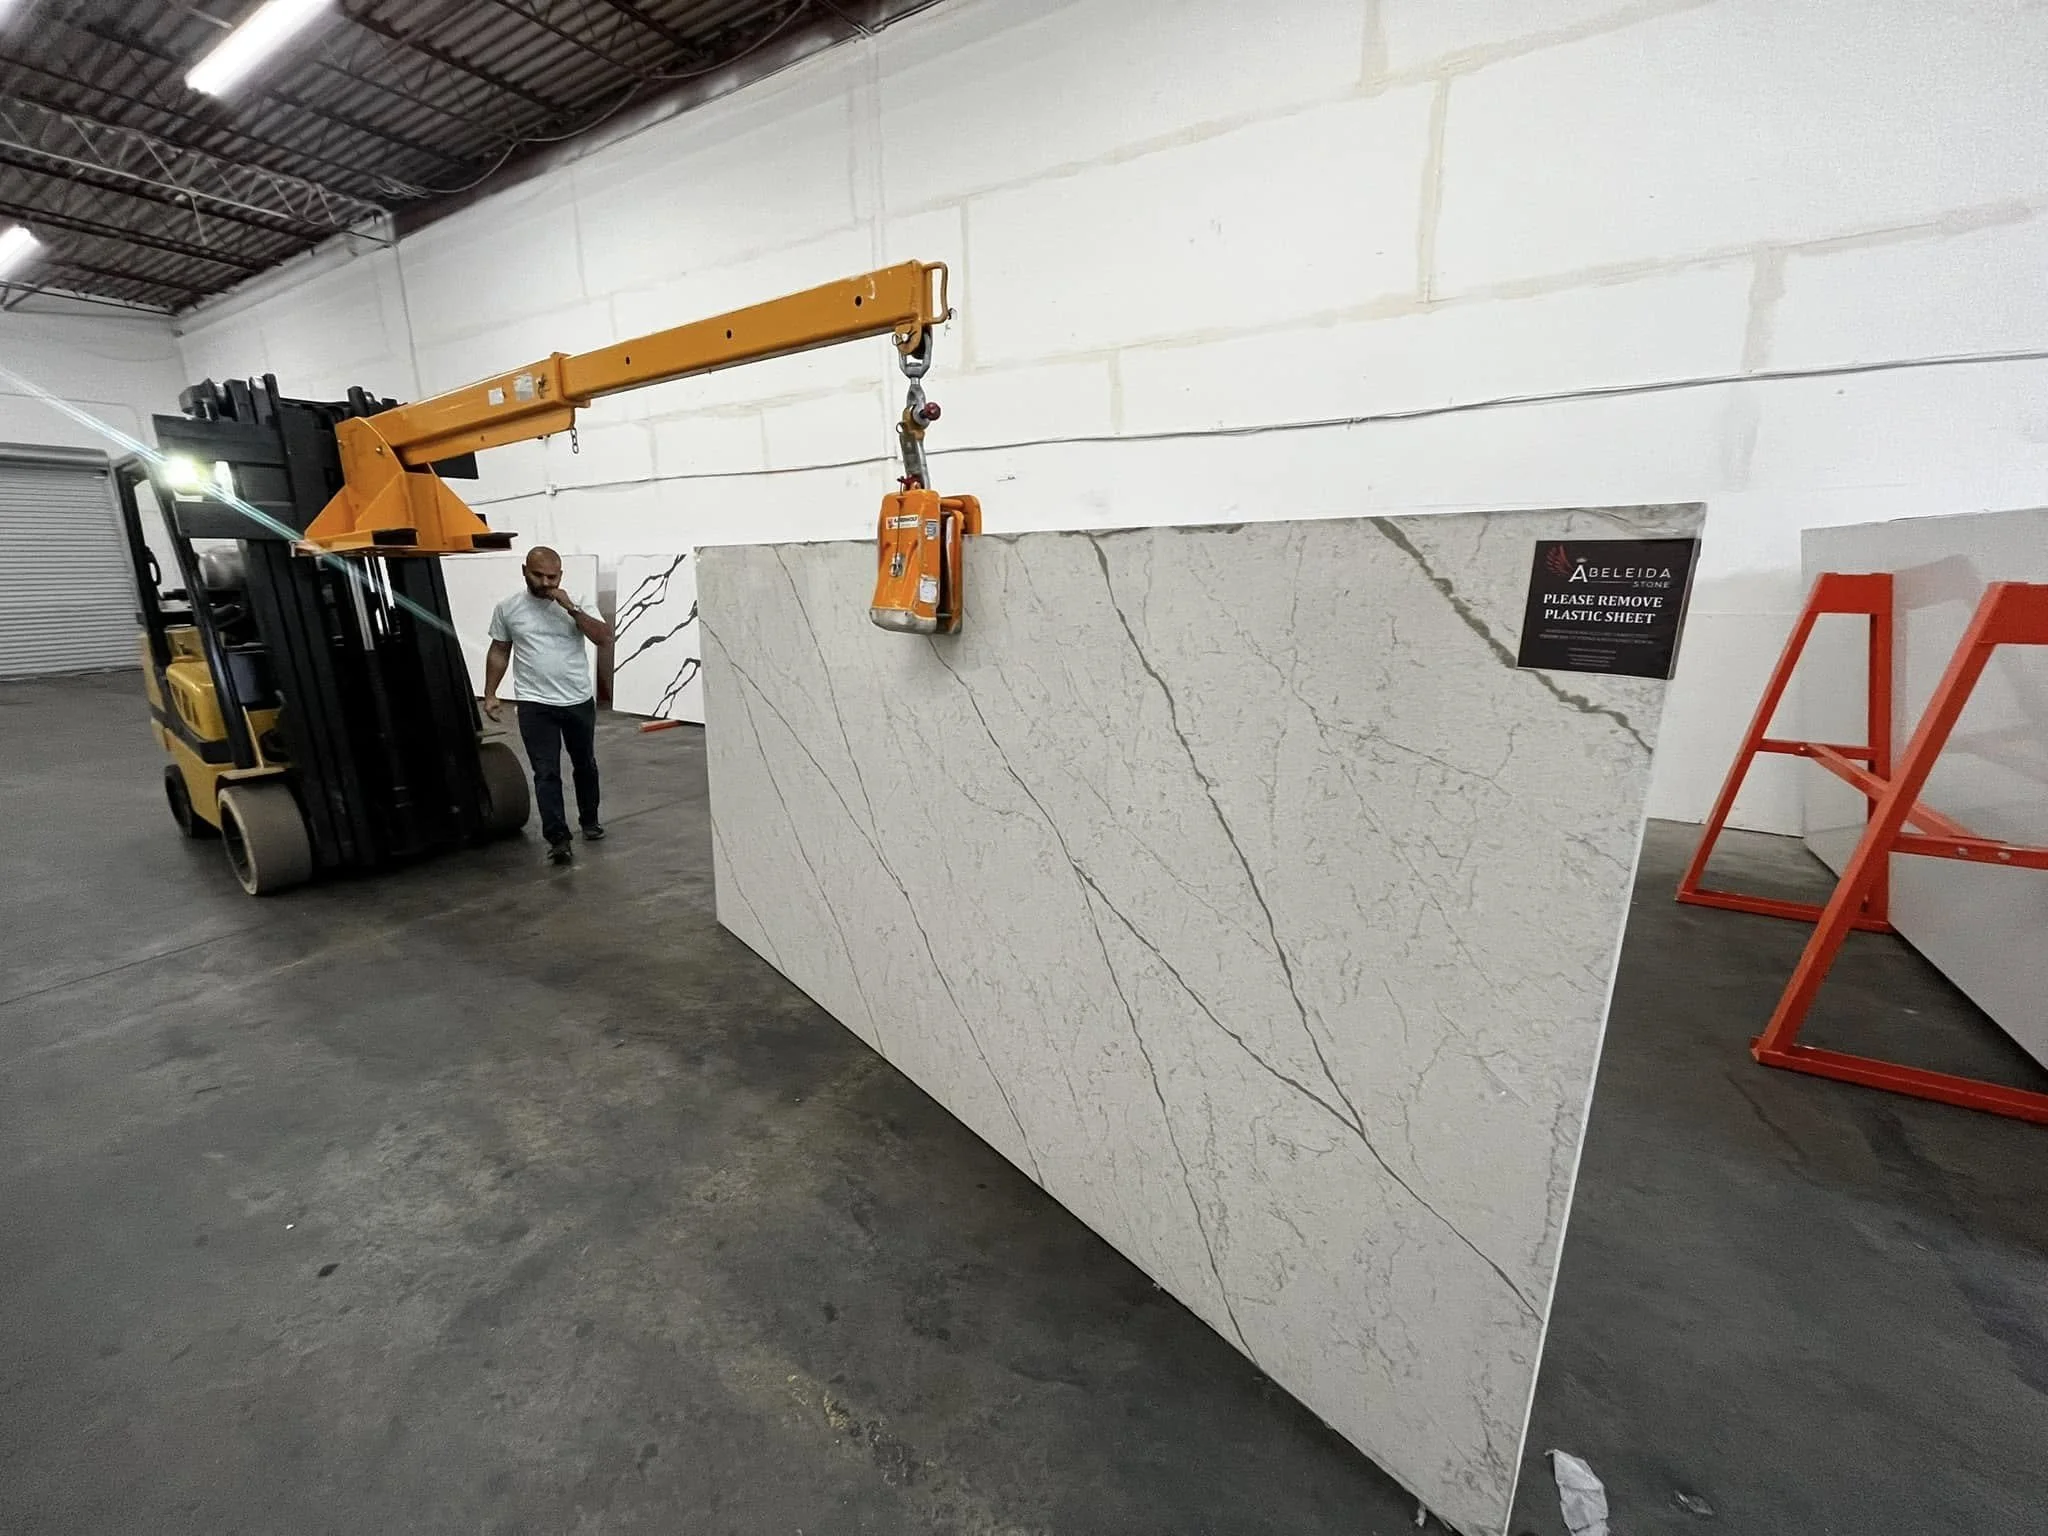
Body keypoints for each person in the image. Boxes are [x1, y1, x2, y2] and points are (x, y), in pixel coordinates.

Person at [482, 547, 614, 864]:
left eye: (551, 577)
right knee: (546, 772)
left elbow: (603, 637)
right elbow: (499, 650)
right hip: (534, 703)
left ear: (561, 575)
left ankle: (590, 820)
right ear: (524, 570)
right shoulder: (509, 608)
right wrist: (490, 693)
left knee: (585, 764)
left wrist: (571, 608)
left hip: (577, 699)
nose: (544, 582)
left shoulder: (578, 601)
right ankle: (558, 838)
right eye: (537, 575)